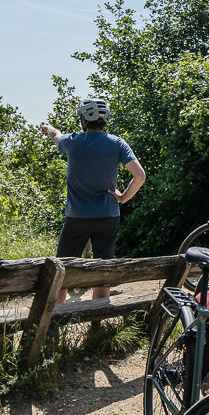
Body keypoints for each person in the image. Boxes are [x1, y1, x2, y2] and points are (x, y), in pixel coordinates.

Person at [39, 97, 145, 301]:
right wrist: (123, 197)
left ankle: (56, 315)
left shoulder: (72, 141)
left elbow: (55, 135)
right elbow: (140, 176)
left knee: (62, 272)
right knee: (103, 275)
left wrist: (48, 127)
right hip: (108, 217)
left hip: (77, 218)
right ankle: (98, 317)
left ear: (83, 120)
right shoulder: (117, 144)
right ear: (105, 119)